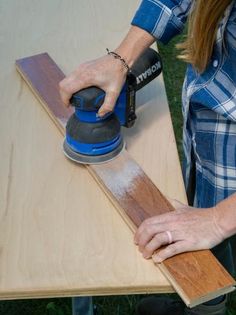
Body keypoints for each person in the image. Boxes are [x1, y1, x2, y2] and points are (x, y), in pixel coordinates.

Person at [59, 0, 236, 314]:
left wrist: (219, 219)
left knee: (213, 246)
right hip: (210, 146)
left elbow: (216, 222)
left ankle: (207, 308)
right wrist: (121, 57)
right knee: (196, 227)